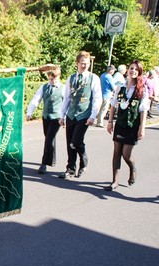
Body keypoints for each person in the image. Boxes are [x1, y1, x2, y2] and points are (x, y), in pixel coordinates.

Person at [105, 60, 150, 191]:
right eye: (131, 68)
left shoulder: (142, 89)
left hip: (132, 126)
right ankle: (115, 181)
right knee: (116, 153)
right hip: (120, 123)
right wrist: (110, 122)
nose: (133, 71)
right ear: (127, 70)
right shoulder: (121, 87)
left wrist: (142, 127)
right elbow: (113, 105)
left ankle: (132, 168)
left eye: (136, 70)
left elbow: (143, 109)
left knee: (126, 155)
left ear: (139, 72)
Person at [59, 51, 102, 179]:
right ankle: (70, 168)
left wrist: (93, 115)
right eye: (82, 63)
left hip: (84, 114)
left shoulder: (93, 78)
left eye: (87, 63)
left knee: (76, 141)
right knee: (69, 143)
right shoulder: (71, 78)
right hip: (71, 114)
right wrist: (62, 115)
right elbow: (66, 97)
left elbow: (97, 98)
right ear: (77, 63)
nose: (85, 66)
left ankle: (83, 163)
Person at [26, 66, 64, 174]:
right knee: (49, 138)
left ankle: (44, 164)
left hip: (57, 118)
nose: (52, 81)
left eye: (54, 79)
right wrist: (29, 112)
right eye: (50, 79)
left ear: (58, 77)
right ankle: (52, 160)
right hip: (46, 117)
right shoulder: (44, 87)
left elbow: (67, 103)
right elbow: (36, 99)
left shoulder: (63, 88)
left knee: (48, 139)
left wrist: (64, 117)